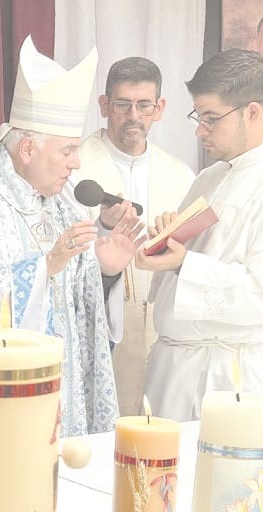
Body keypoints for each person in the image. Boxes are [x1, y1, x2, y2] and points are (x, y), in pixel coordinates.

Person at [0, 36, 144, 437]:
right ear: (29, 149)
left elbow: (77, 309)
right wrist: (44, 268)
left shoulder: (64, 202)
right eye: (67, 151)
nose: (76, 162)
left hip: (61, 391)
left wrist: (103, 271)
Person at [137, 49, 263, 421]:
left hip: (229, 376)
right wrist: (169, 242)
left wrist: (185, 264)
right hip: (174, 368)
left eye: (211, 119)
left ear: (252, 112)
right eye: (198, 117)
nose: (200, 130)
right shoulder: (209, 177)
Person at [68, 57, 195, 415]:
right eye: (122, 105)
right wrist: (103, 229)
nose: (133, 116)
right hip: (102, 330)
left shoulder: (181, 175)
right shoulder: (74, 168)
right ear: (104, 105)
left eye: (144, 106)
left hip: (162, 331)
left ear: (160, 108)